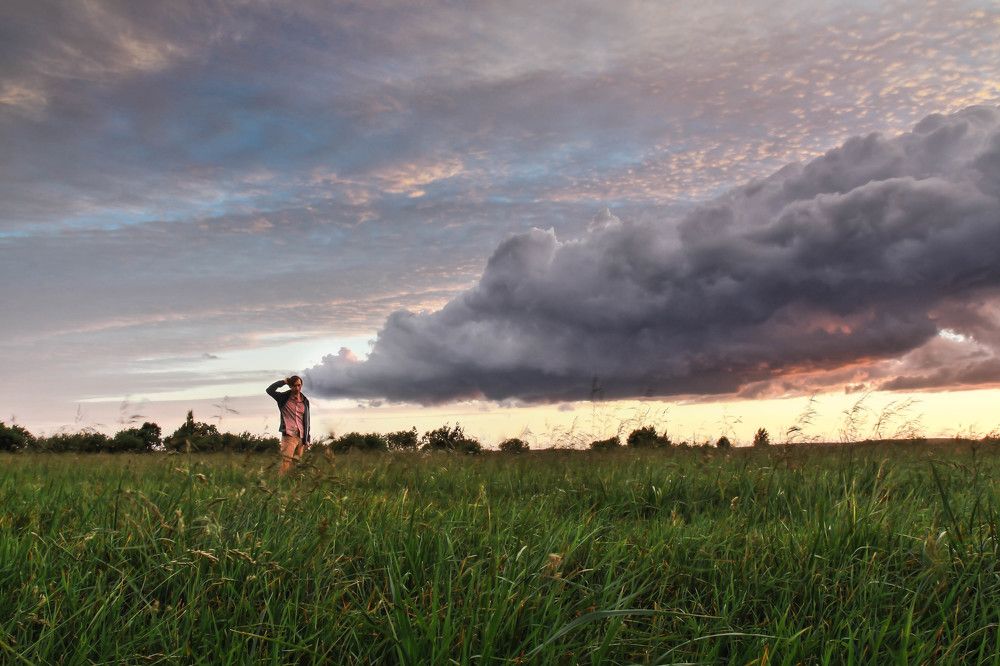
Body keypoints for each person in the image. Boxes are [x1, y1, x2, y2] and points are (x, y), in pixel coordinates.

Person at [266, 376, 311, 475]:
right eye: (294, 386)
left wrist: (307, 438)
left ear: (301, 385)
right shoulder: (283, 397)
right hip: (289, 435)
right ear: (290, 386)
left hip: (301, 437)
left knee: (296, 465)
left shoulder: (305, 401)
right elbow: (269, 390)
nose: (297, 388)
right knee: (286, 462)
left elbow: (307, 420)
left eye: (299, 385)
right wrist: (283, 382)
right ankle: (280, 481)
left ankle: (291, 483)